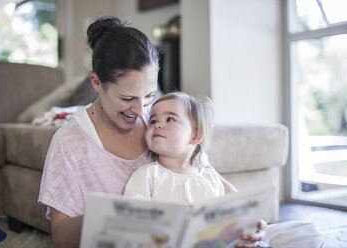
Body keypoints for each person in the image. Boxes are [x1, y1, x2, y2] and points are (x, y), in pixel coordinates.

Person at [38, 16, 265, 248]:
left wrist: (246, 222)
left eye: (148, 95)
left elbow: (208, 176)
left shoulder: (159, 121)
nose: (140, 111)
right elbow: (61, 237)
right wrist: (114, 217)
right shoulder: (69, 143)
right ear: (97, 84)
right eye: (127, 98)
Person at [124, 92, 236, 204]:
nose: (157, 125)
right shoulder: (147, 175)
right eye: (153, 121)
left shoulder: (211, 179)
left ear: (196, 136)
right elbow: (132, 214)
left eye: (170, 119)